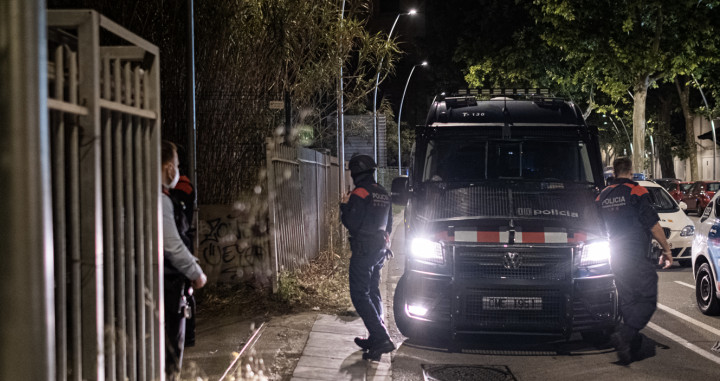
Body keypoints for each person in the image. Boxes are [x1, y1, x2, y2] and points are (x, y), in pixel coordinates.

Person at [595, 157, 673, 364]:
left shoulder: (602, 196)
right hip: (636, 255)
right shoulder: (636, 191)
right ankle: (626, 334)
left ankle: (629, 346)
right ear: (630, 171)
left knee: (628, 300)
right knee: (647, 299)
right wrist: (667, 249)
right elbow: (653, 224)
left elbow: (597, 227)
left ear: (613, 173)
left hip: (615, 255)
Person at [340, 154, 395, 361]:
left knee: (359, 295)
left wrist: (344, 206)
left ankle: (381, 338)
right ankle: (374, 336)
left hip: (363, 249)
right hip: (379, 248)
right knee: (372, 292)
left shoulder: (360, 192)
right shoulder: (383, 192)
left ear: (355, 171)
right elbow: (388, 225)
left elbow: (352, 223)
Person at [161, 140, 207, 380]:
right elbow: (172, 244)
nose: (177, 170)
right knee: (169, 352)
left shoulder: (138, 195)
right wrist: (196, 271)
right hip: (168, 283)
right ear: (169, 167)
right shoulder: (162, 199)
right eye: (176, 165)